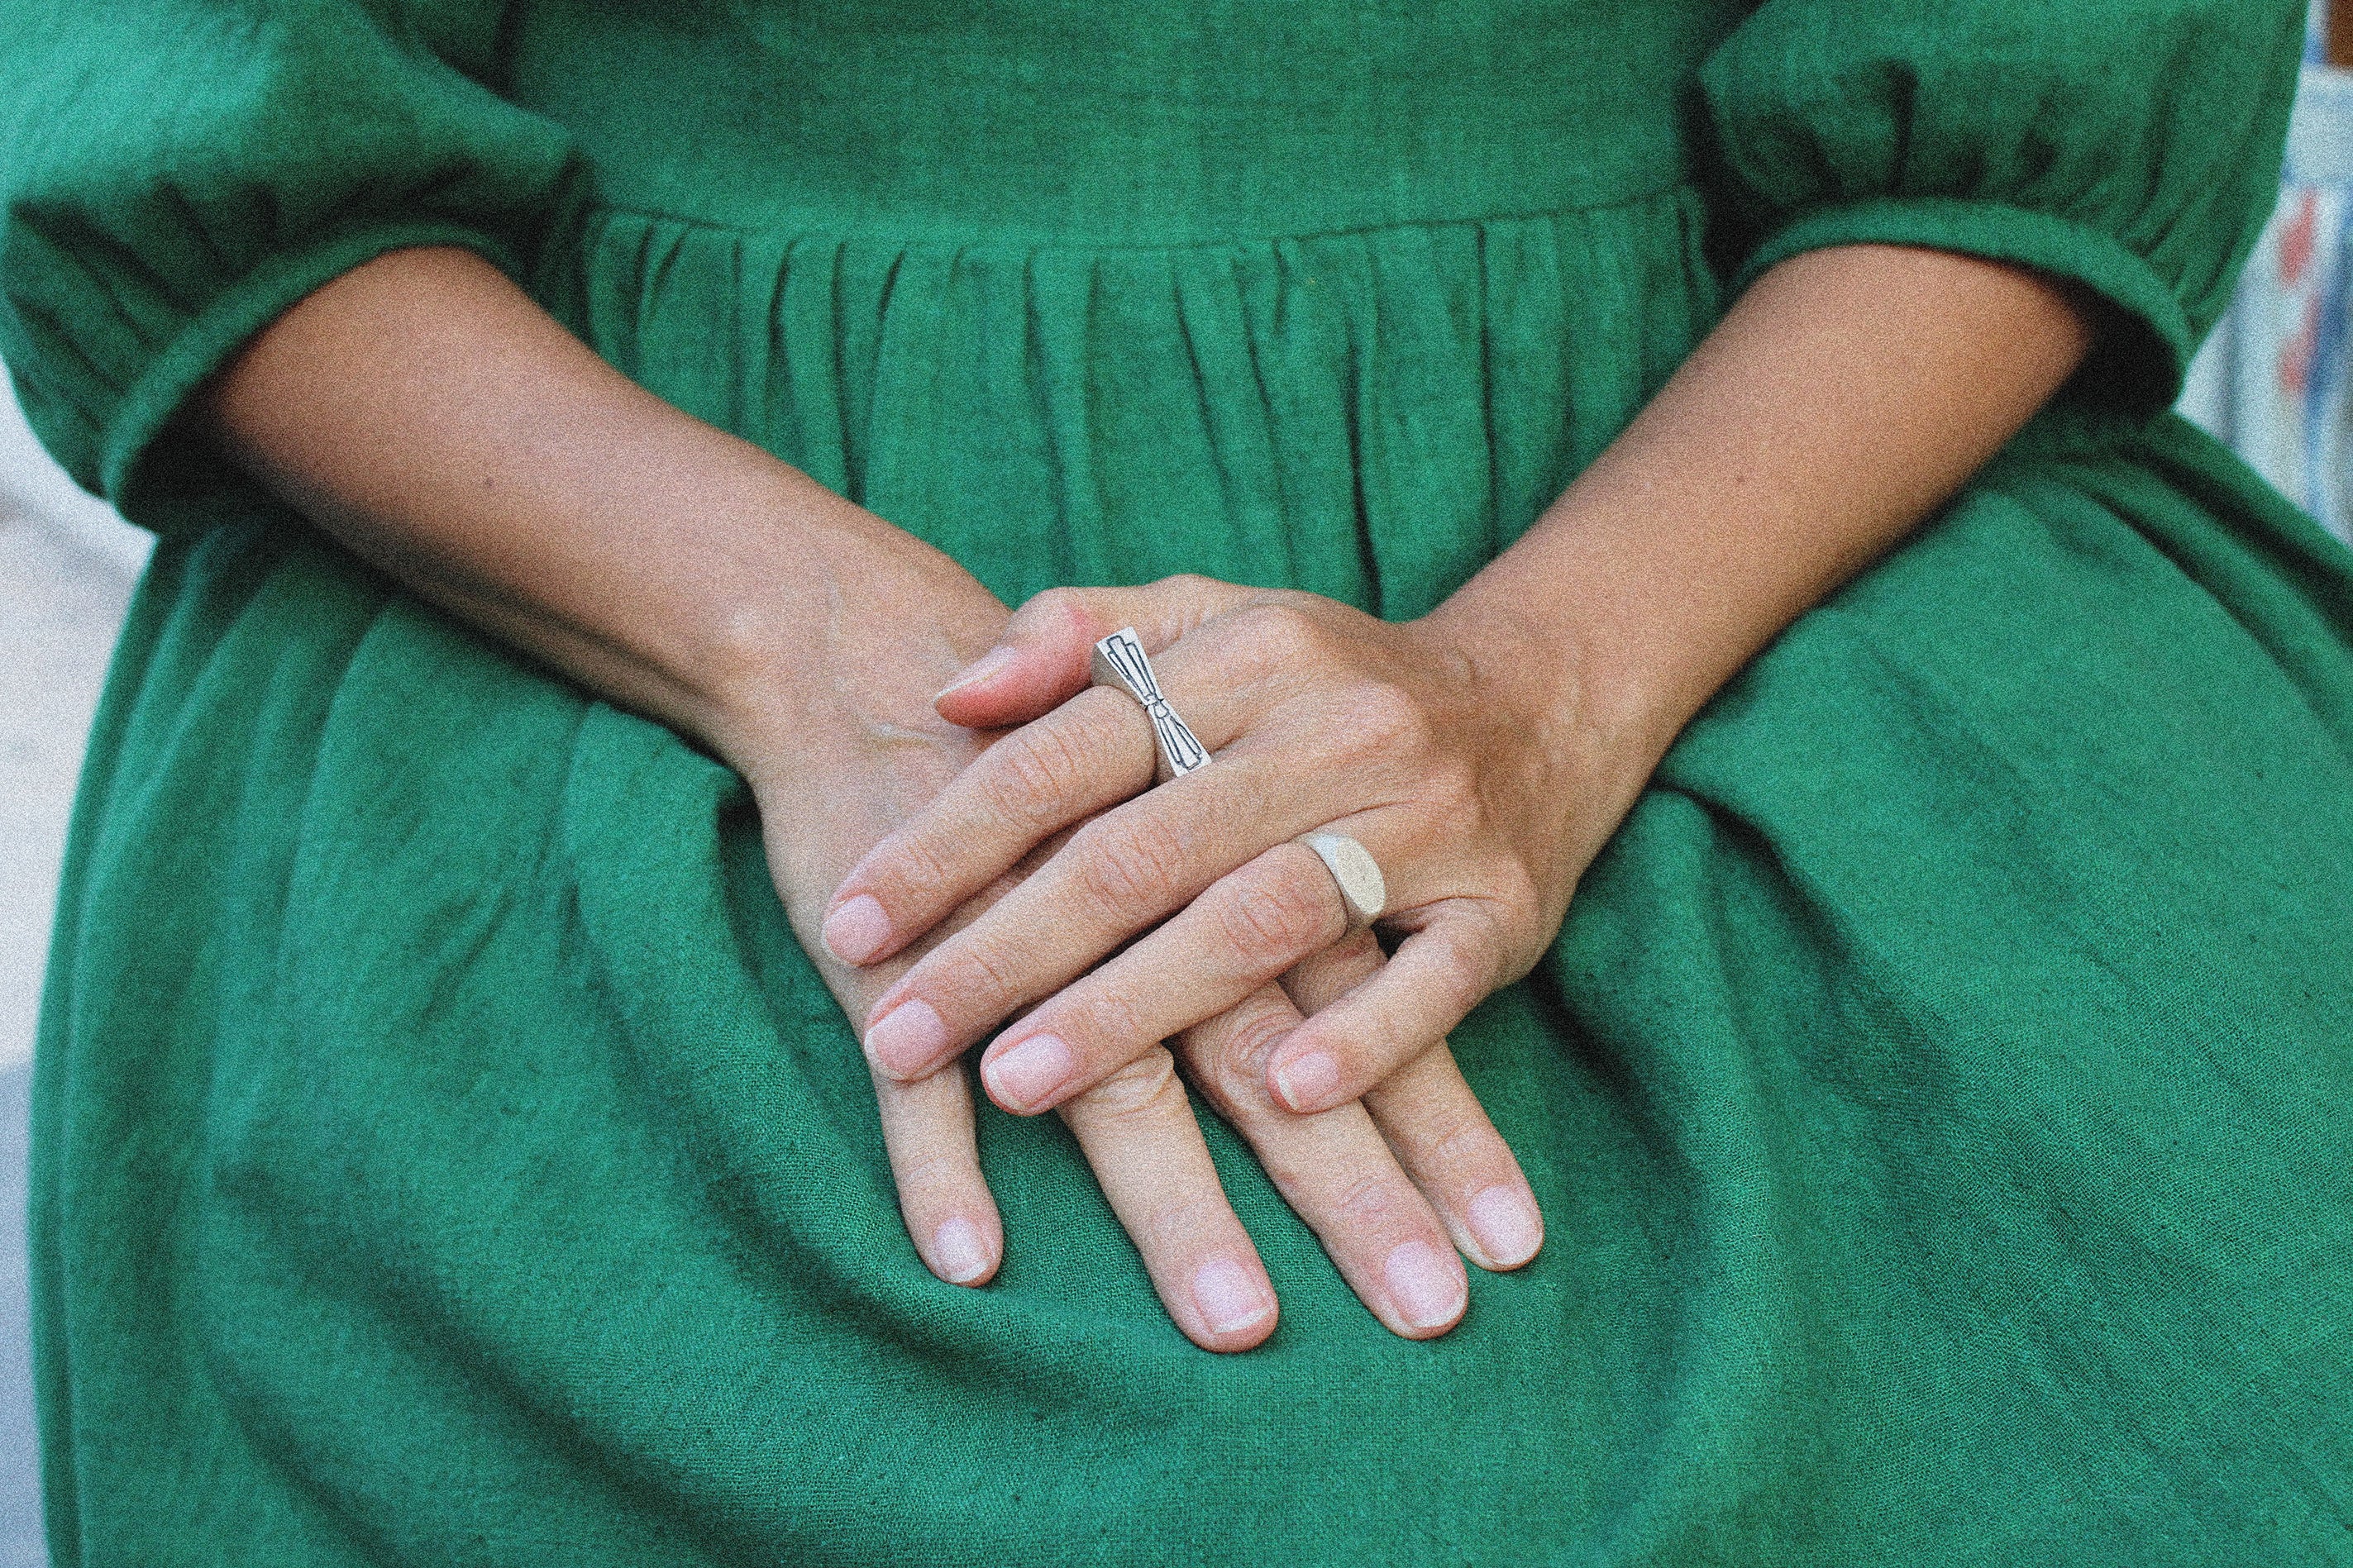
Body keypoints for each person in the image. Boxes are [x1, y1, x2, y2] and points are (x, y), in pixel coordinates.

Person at [5, 0, 2349, 1559]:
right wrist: (817, 657)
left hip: (1737, 516)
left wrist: (1533, 693)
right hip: (612, 560)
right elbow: (157, 82)